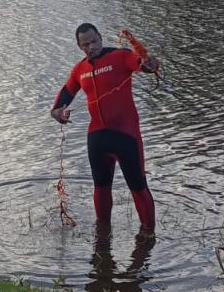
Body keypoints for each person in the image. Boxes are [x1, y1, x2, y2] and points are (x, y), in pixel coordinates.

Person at [51, 23, 160, 235]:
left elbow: (142, 64)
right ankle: (103, 233)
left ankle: (148, 235)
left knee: (138, 187)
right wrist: (57, 112)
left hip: (126, 136)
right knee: (101, 187)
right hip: (97, 138)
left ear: (100, 37)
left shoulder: (120, 56)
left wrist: (150, 63)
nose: (91, 47)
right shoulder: (80, 70)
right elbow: (65, 93)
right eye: (85, 45)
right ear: (79, 46)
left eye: (94, 41)